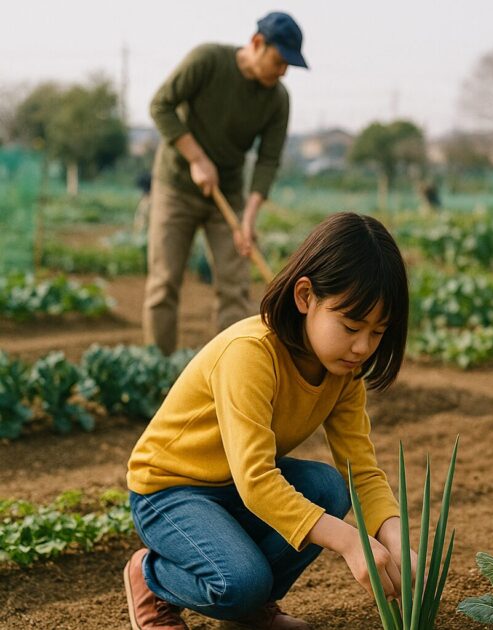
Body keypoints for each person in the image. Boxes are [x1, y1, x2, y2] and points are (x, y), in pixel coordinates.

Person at [123, 213, 415, 630]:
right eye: (350, 326)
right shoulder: (251, 353)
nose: (362, 346)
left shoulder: (343, 373)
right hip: (169, 491)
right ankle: (150, 579)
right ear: (305, 296)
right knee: (239, 581)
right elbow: (258, 480)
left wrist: (395, 536)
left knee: (329, 488)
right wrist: (350, 540)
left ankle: (251, 611)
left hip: (233, 489)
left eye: (378, 332)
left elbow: (361, 471)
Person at [144, 11, 307, 355]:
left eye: (288, 66)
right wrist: (197, 159)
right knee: (164, 283)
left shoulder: (278, 99)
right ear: (257, 44)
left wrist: (248, 218)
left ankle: (231, 371)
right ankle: (156, 371)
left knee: (234, 288)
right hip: (176, 186)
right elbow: (161, 106)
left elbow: (268, 160)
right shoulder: (208, 60)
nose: (283, 72)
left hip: (229, 194)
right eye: (279, 61)